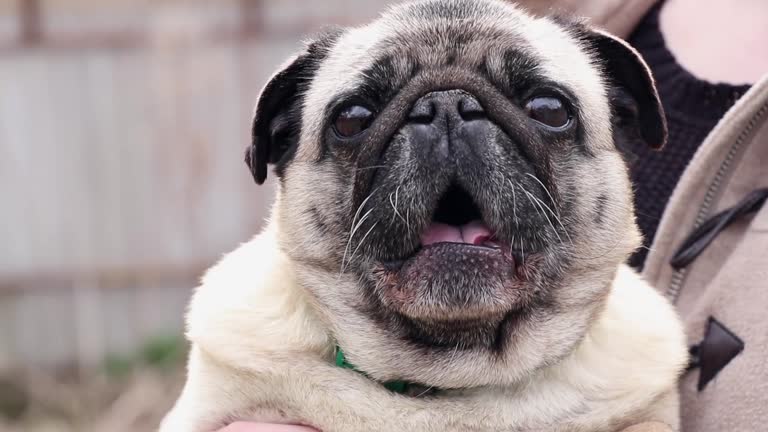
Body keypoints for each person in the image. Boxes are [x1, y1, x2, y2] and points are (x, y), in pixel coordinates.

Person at [217, 0, 768, 430]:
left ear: (624, 127)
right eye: (355, 121)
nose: (447, 122)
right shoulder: (243, 357)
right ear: (278, 144)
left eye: (545, 112)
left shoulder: (636, 381)